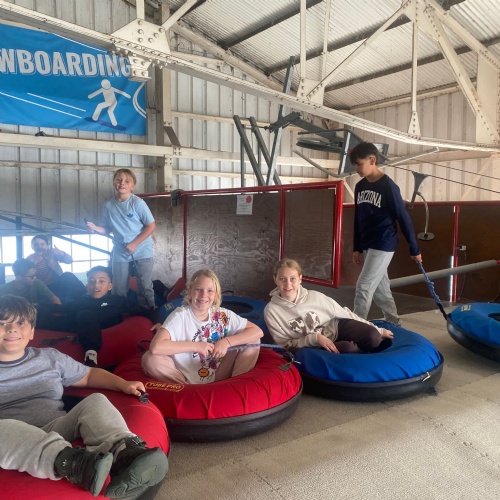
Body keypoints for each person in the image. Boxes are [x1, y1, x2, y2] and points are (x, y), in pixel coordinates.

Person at [0, 294, 168, 498]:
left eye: (20, 323)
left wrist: (123, 384)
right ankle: (77, 465)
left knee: (96, 400)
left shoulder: (50, 358)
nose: (12, 329)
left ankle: (127, 454)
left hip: (55, 426)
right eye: (3, 323)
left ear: (32, 331)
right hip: (12, 441)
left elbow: (88, 375)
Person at [142, 268, 263, 384]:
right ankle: (188, 391)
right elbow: (156, 347)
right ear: (189, 292)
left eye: (210, 291)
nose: (203, 295)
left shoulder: (223, 314)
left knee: (253, 340)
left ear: (216, 295)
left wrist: (226, 342)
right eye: (198, 289)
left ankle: (236, 386)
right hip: (185, 377)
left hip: (219, 372)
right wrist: (197, 346)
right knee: (150, 359)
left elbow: (257, 331)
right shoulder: (180, 316)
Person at [350, 142, 422, 326]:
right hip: (368, 244)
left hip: (383, 243)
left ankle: (356, 327)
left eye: (359, 164)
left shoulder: (389, 187)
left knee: (364, 287)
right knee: (381, 290)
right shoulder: (360, 186)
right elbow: (358, 218)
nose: (356, 169)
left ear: (372, 160)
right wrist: (357, 247)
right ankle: (394, 322)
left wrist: (414, 249)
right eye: (354, 165)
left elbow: (403, 218)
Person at [264, 258, 393, 353]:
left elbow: (344, 313)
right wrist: (315, 338)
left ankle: (371, 347)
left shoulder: (315, 296)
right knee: (349, 348)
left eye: (293, 279)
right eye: (282, 279)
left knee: (373, 337)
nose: (288, 284)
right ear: (275, 279)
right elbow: (285, 345)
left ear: (300, 279)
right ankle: (363, 352)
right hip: (313, 344)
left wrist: (378, 330)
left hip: (335, 327)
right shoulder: (271, 311)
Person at [42, 266, 159, 367]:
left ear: (110, 286)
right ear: (87, 286)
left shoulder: (117, 300)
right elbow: (62, 308)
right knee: (52, 318)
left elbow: (145, 311)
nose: (96, 285)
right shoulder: (82, 300)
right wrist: (40, 308)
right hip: (80, 323)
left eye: (101, 281)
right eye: (92, 281)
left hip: (104, 325)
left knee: (85, 314)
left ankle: (91, 356)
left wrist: (159, 323)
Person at [85, 169, 156, 309]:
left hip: (142, 251)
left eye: (127, 181)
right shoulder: (108, 205)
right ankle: (118, 313)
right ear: (114, 183)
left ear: (132, 186)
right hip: (120, 251)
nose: (122, 183)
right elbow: (107, 229)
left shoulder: (138, 203)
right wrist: (95, 228)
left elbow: (151, 226)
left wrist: (134, 243)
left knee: (145, 287)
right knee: (118, 288)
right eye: (119, 180)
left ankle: (149, 313)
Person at [26, 234, 86, 302]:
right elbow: (26, 275)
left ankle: (85, 295)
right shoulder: (29, 259)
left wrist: (61, 253)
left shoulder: (52, 254)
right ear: (32, 247)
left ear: (47, 245)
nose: (39, 247)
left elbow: (69, 260)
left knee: (68, 275)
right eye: (36, 244)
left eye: (42, 244)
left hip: (57, 284)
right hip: (43, 288)